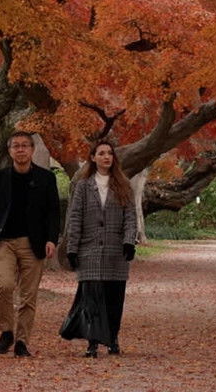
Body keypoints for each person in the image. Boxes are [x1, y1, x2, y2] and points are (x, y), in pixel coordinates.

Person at [0, 131, 60, 357]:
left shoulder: (46, 178)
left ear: (32, 150)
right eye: (16, 146)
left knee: (28, 295)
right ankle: (6, 332)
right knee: (3, 285)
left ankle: (22, 341)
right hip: (4, 242)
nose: (20, 149)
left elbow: (53, 212)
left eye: (25, 146)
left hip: (34, 243)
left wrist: (52, 238)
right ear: (10, 150)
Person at [59, 139, 138, 357]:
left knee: (114, 298)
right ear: (93, 158)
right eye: (101, 153)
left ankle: (112, 339)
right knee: (91, 298)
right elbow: (75, 218)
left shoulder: (123, 185)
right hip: (89, 250)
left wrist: (129, 241)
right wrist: (72, 249)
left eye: (109, 153)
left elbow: (130, 217)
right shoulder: (83, 186)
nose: (106, 157)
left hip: (116, 251)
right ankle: (92, 342)